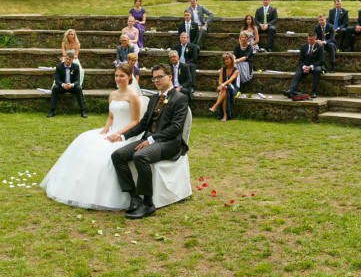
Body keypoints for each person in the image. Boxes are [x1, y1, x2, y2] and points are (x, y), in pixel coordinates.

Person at [41, 63, 144, 210]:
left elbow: (135, 121)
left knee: (103, 155)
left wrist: (119, 133)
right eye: (116, 75)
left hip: (126, 133)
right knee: (84, 140)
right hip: (111, 130)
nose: (118, 78)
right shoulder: (113, 94)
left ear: (129, 77)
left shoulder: (133, 96)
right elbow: (111, 116)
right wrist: (107, 127)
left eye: (122, 75)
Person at [109, 63, 190, 219]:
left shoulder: (180, 98)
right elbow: (143, 124)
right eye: (154, 78)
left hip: (170, 143)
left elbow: (175, 128)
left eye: (160, 77)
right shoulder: (154, 98)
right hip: (151, 140)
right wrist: (123, 136)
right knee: (117, 155)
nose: (157, 80)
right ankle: (134, 197)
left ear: (170, 77)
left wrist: (151, 139)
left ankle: (148, 204)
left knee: (141, 156)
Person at [285, 32, 324, 99]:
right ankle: (292, 90)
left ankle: (314, 92)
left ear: (315, 39)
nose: (310, 41)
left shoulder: (319, 47)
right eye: (308, 39)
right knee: (298, 73)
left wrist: (311, 67)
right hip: (305, 65)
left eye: (311, 40)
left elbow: (321, 60)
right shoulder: (303, 47)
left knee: (318, 71)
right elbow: (300, 60)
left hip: (315, 65)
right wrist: (304, 67)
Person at [48, 52, 87, 118]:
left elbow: (77, 80)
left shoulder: (76, 67)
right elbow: (57, 80)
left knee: (78, 88)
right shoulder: (59, 66)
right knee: (55, 87)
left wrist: (72, 85)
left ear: (72, 60)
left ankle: (83, 111)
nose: (68, 61)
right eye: (67, 59)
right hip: (62, 87)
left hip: (72, 87)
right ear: (64, 58)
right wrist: (63, 85)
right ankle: (52, 110)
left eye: (70, 59)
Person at [210, 52, 239, 121]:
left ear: (231, 59)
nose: (226, 61)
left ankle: (215, 105)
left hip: (233, 88)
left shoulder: (236, 70)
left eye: (227, 59)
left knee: (226, 89)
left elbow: (230, 80)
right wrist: (221, 85)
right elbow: (220, 80)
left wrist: (222, 85)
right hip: (224, 88)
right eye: (224, 60)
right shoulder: (222, 69)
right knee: (225, 92)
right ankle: (225, 115)